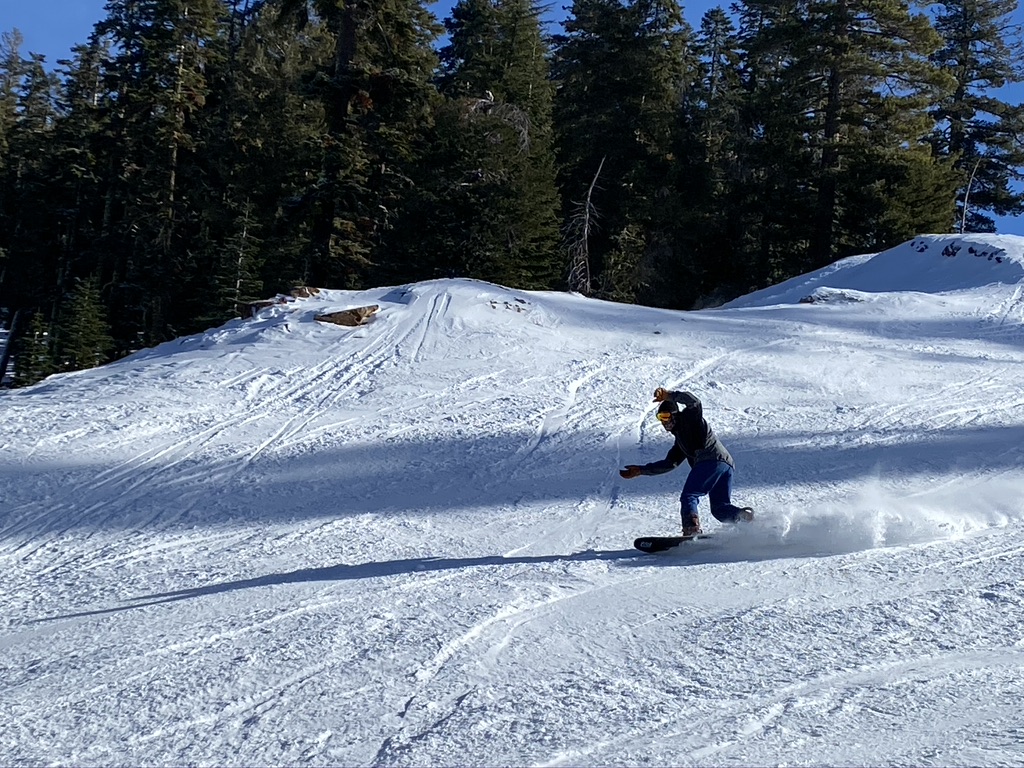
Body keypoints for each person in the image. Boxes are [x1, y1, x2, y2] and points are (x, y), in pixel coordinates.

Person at [619, 387, 753, 535]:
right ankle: (748, 521)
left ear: (675, 415)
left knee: (689, 495)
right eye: (660, 418)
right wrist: (641, 470)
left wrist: (670, 396)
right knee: (720, 509)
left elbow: (694, 402)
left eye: (665, 416)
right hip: (725, 465)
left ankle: (691, 529)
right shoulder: (680, 441)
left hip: (710, 459)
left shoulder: (690, 419)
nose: (664, 422)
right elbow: (670, 463)